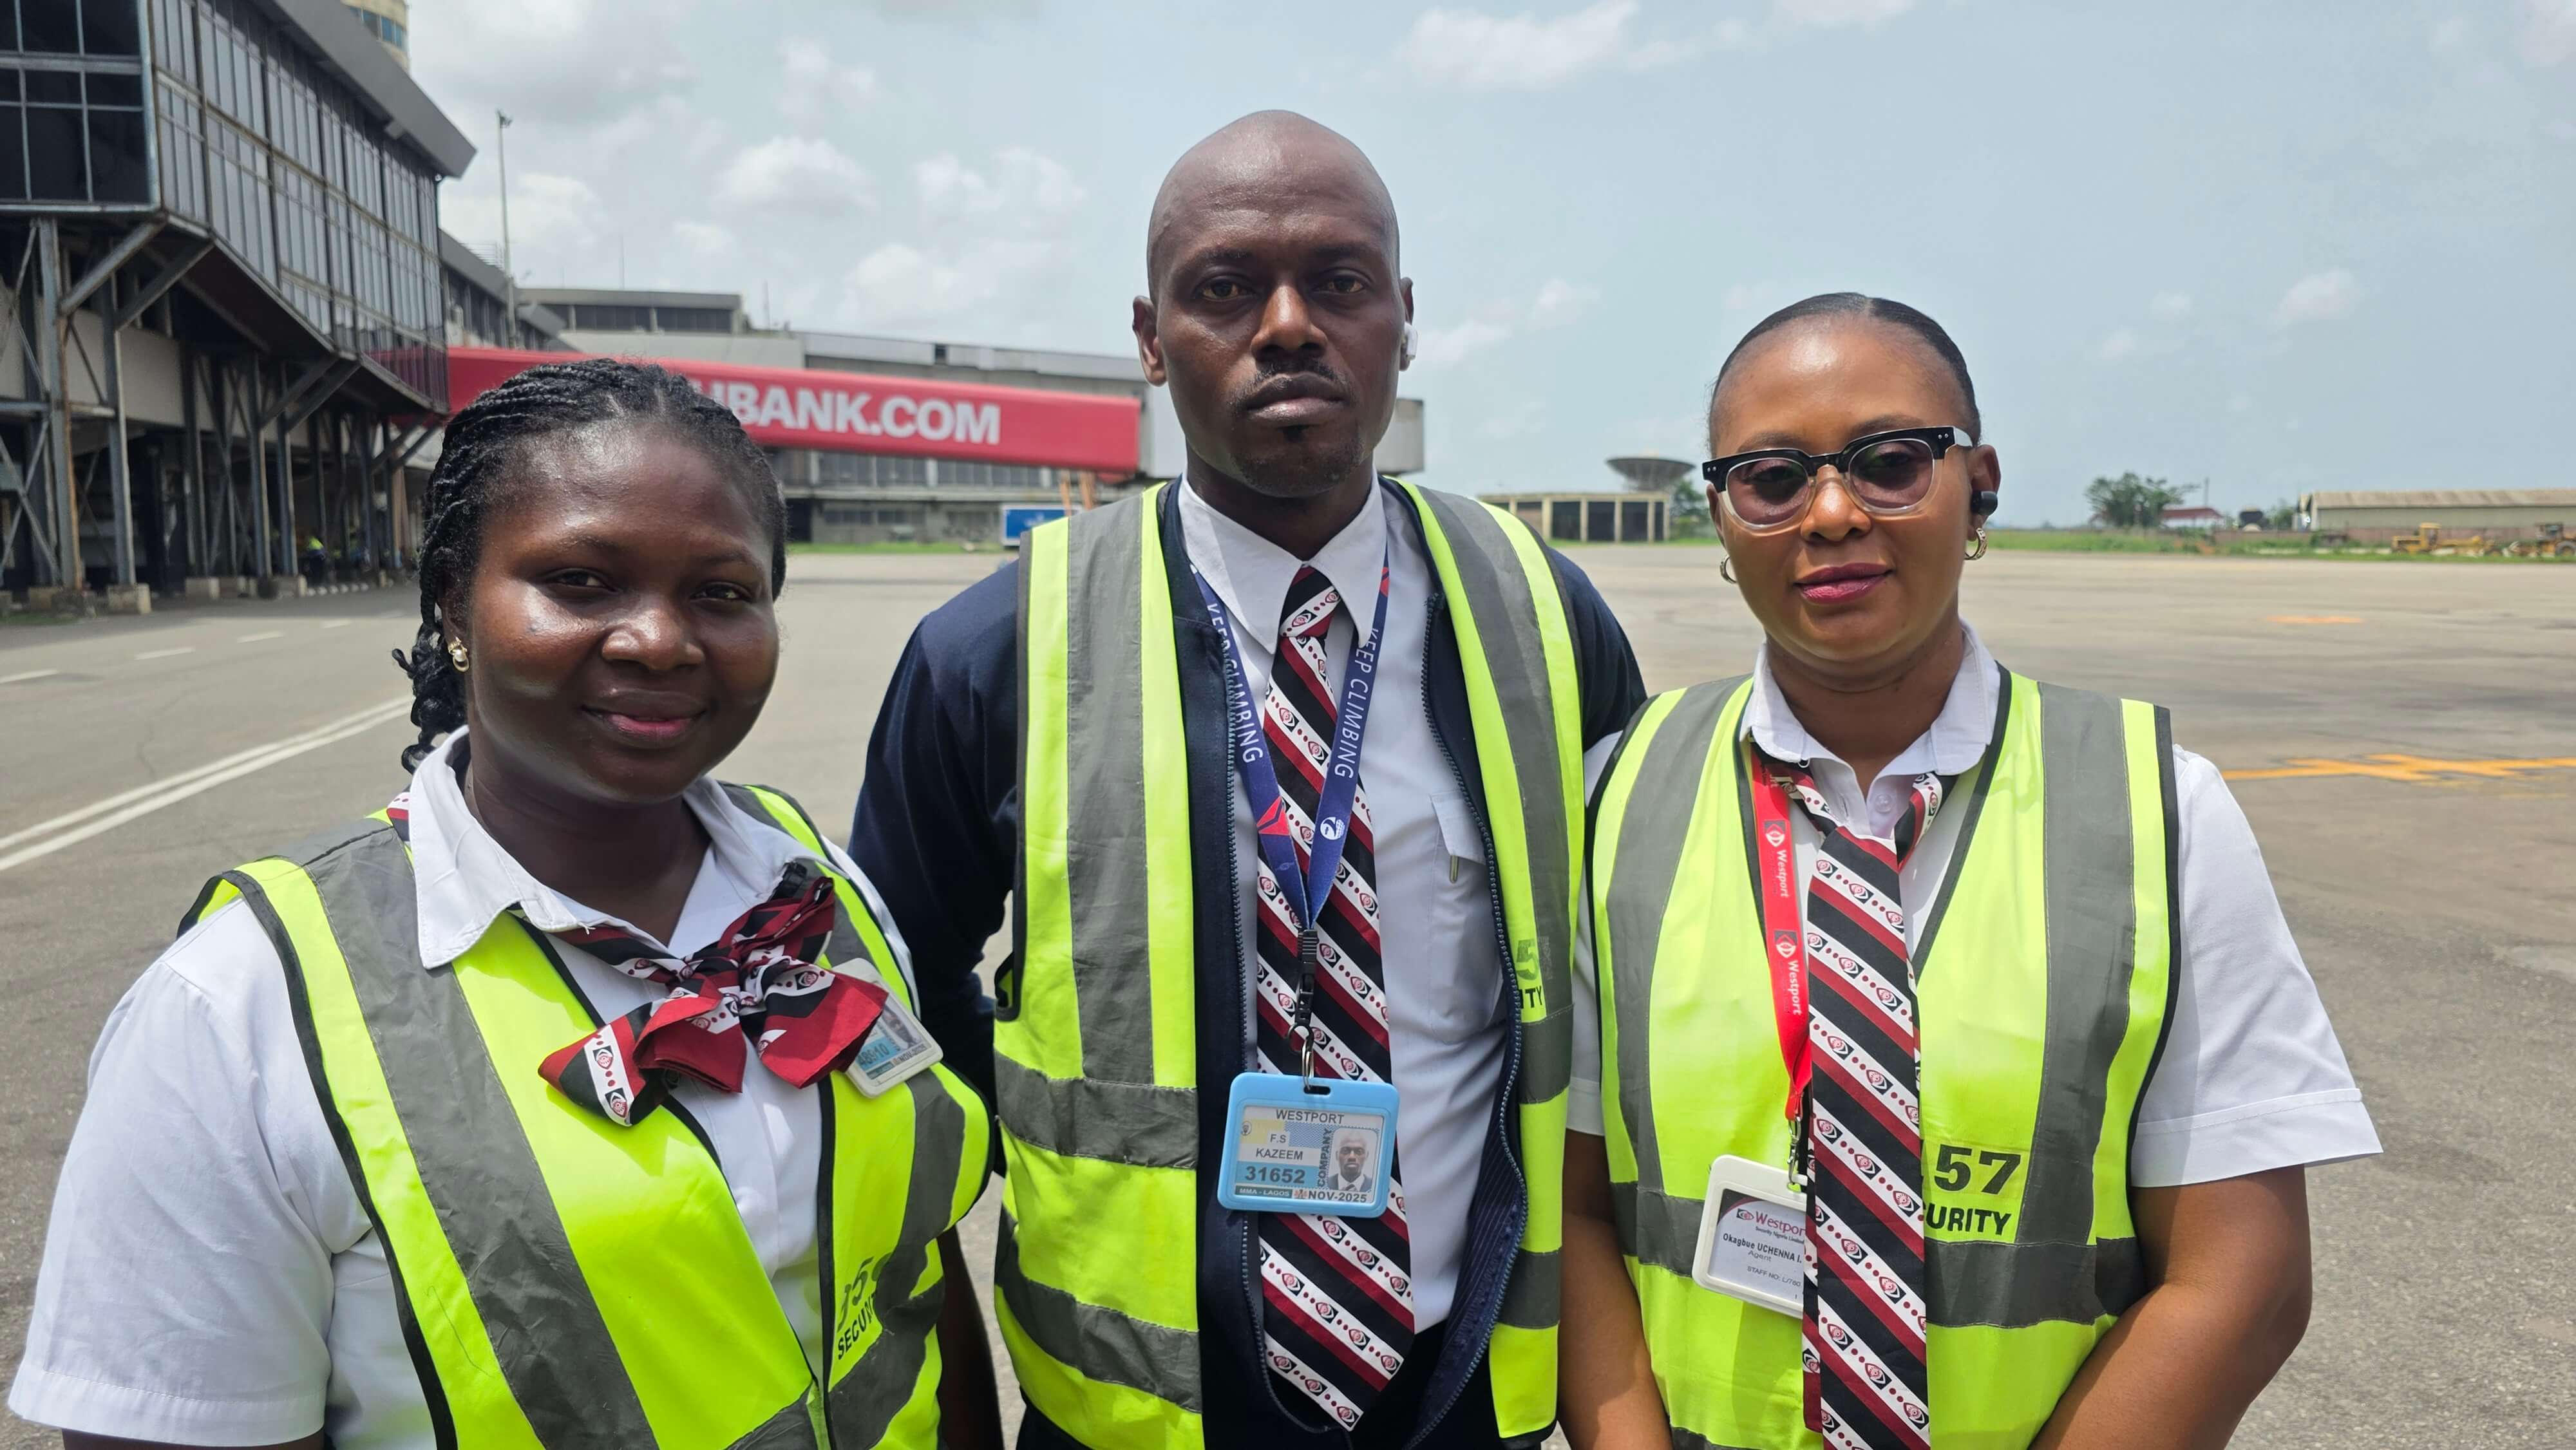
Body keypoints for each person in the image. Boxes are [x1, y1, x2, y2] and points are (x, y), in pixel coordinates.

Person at [11, 358, 1002, 1450]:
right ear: (454, 602)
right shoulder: (235, 1013)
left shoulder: (818, 883)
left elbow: (911, 1267)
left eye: (721, 593)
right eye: (581, 581)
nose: (659, 640)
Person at [849, 111, 1645, 1449]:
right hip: (1133, 1408)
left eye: (1339, 282)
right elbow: (889, 1005)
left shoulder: (1540, 617)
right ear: (1151, 340)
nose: (1287, 326)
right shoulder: (994, 650)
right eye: (1224, 289)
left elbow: (1627, 975)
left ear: (1403, 318)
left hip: (1464, 1388)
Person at [1557, 294, 2380, 1450]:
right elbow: (1571, 1214)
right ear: (1723, 518)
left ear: (1979, 488)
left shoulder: (2158, 810)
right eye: (1773, 479)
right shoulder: (1614, 799)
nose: (1832, 514)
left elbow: (2242, 1283)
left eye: (1891, 463)